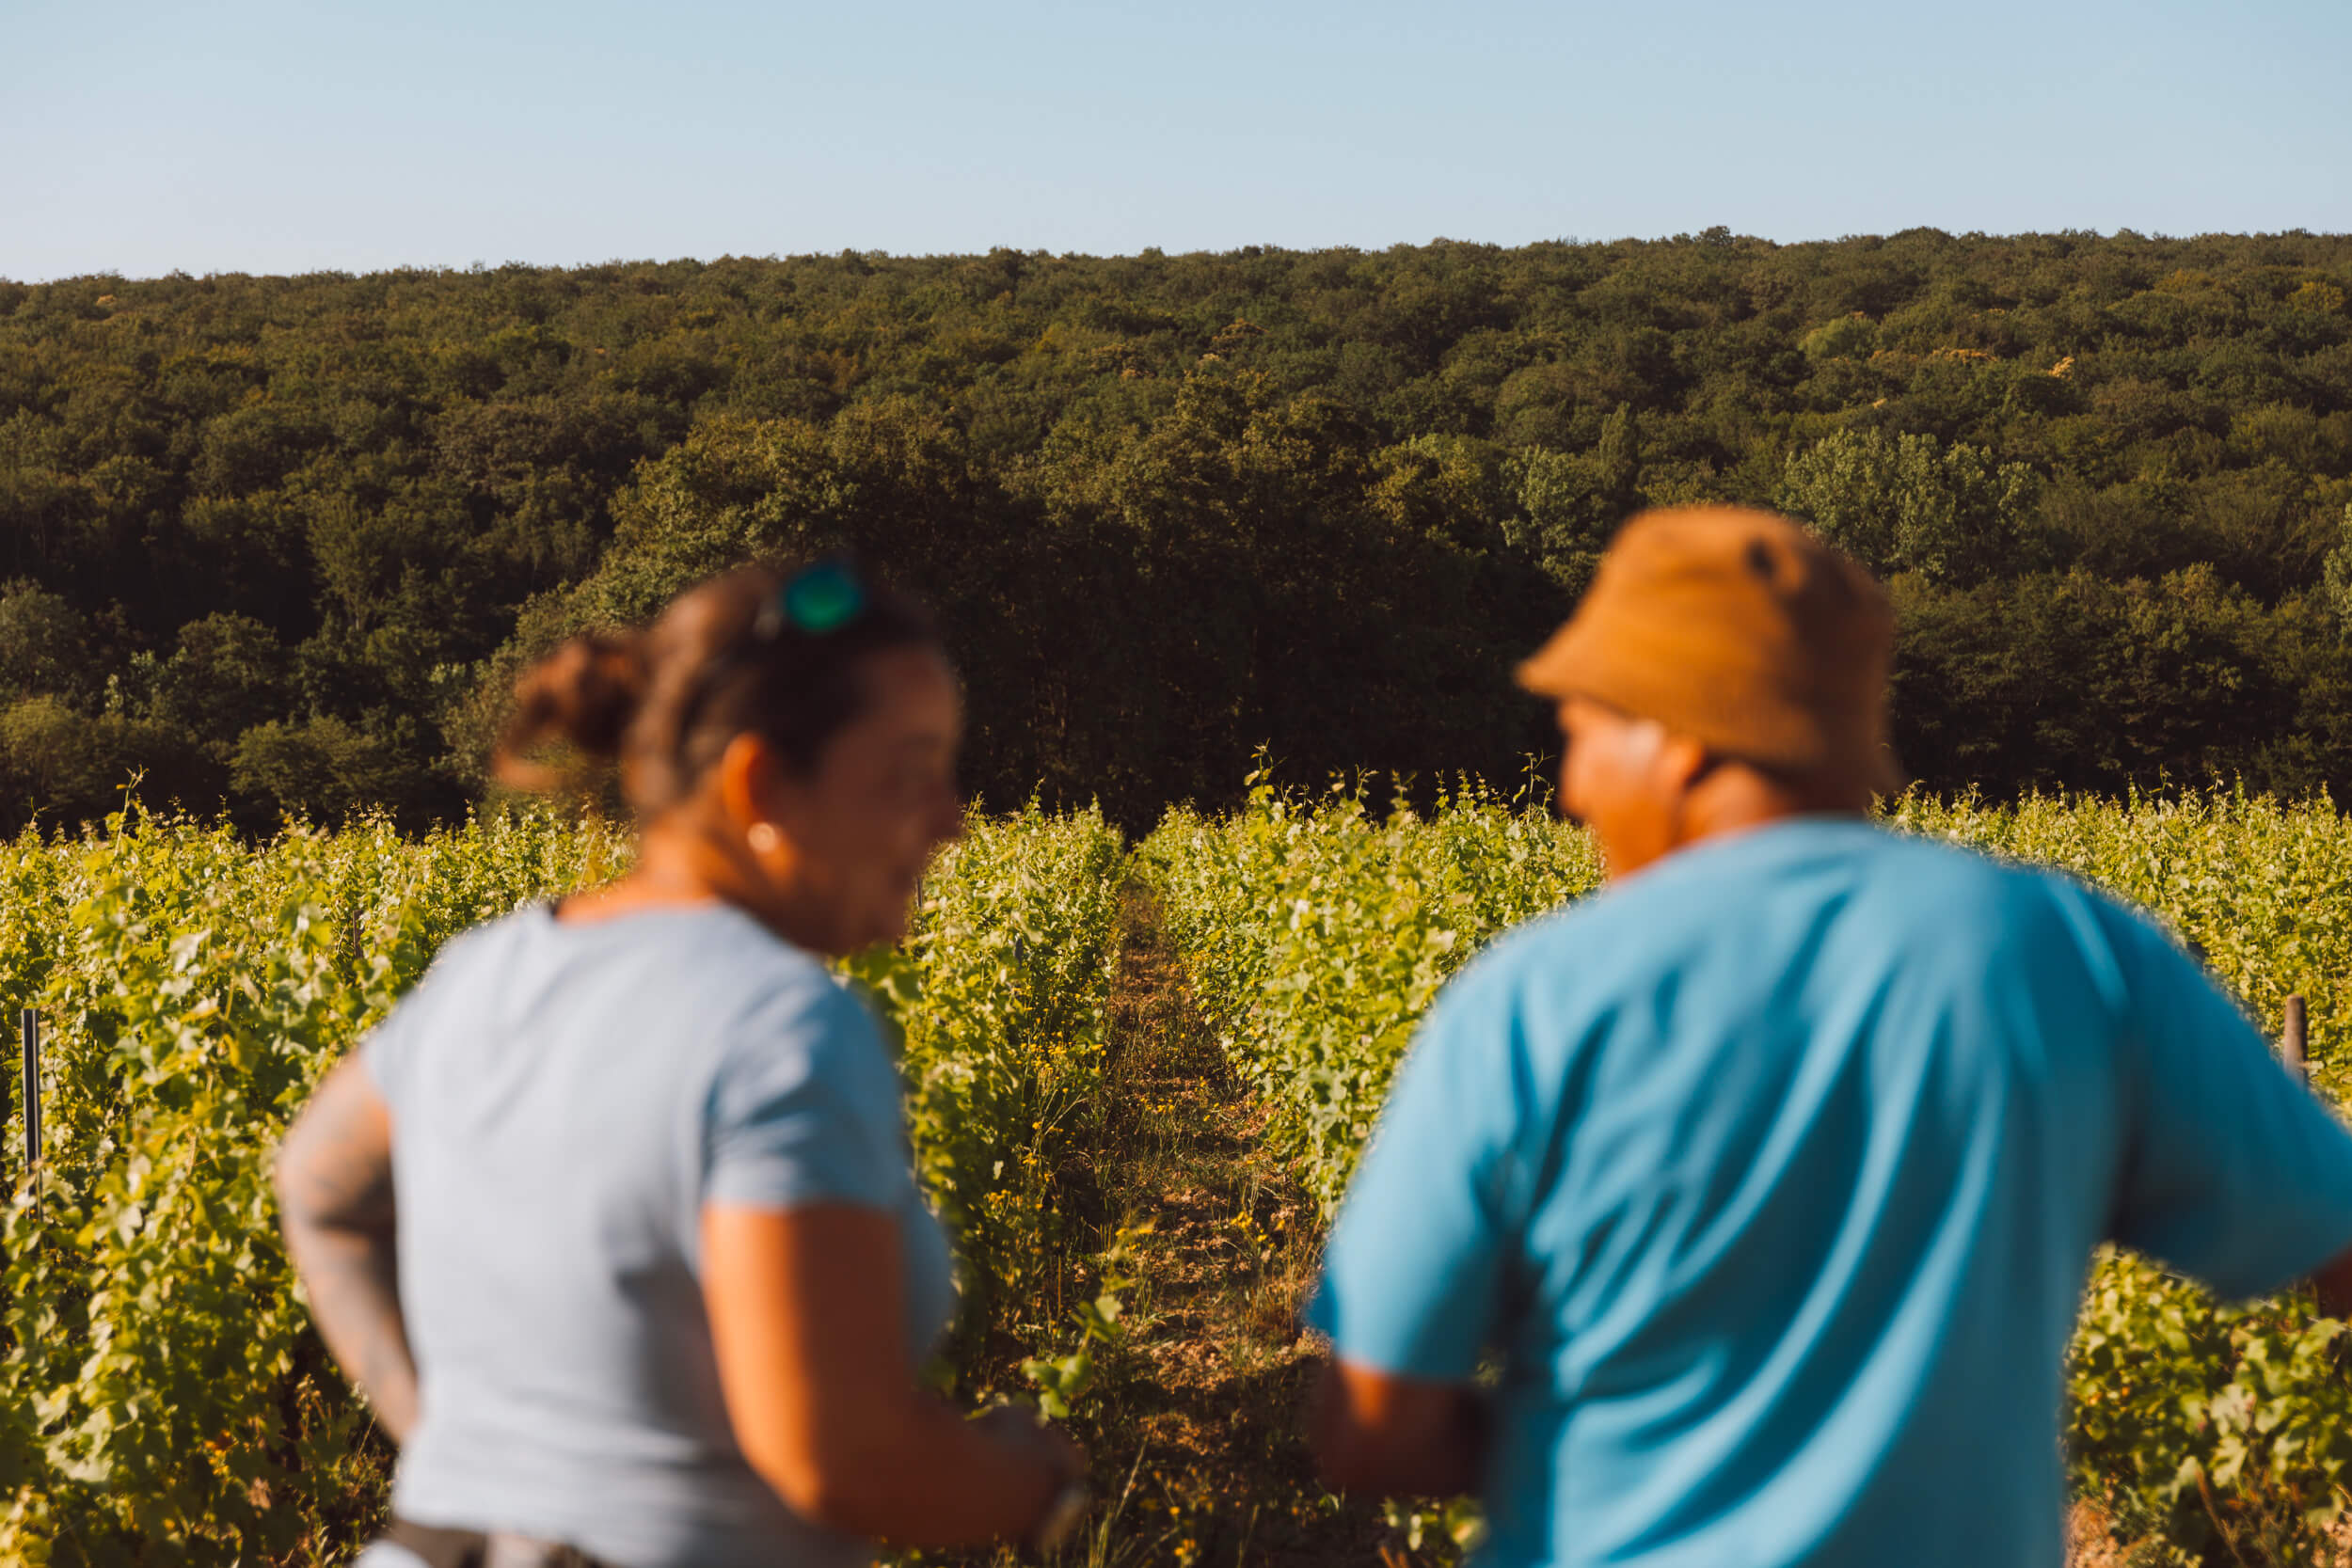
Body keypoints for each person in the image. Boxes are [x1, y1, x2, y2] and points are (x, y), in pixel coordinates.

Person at [1303, 506, 2352, 1567]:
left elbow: (1373, 1426)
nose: (1572, 787)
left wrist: (1597, 1443)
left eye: (1580, 733)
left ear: (1677, 737)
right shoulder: (2072, 952)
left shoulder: (1530, 1004)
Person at [276, 560, 1089, 1568]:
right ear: (758, 785)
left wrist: (449, 1446)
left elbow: (318, 1187)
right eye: (907, 772)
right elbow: (839, 1459)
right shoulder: (780, 1023)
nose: (950, 816)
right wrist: (1028, 1476)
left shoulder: (484, 972)